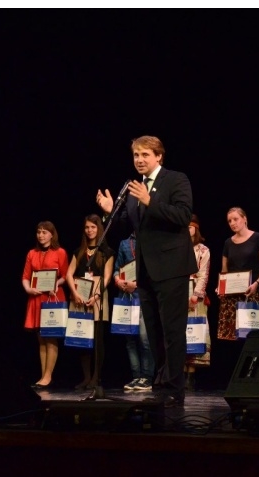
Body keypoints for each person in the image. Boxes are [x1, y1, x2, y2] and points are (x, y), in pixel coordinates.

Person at [103, 135, 197, 408]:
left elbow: (183, 216)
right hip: (145, 271)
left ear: (159, 156)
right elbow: (127, 227)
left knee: (172, 331)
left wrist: (150, 201)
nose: (139, 160)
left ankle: (175, 388)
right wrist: (110, 212)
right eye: (136, 155)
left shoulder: (176, 179)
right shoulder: (135, 188)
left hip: (172, 268)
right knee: (154, 333)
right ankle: (161, 383)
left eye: (145, 154)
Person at [65, 214, 114, 389]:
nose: (89, 230)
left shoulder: (106, 252)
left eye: (93, 227)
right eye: (87, 227)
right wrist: (74, 293)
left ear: (99, 229)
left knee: (98, 339)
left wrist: (96, 296)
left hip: (97, 297)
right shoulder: (79, 251)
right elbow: (68, 274)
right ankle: (86, 377)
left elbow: (107, 278)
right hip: (80, 295)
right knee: (81, 336)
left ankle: (96, 377)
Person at [20, 221, 68, 389]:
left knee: (51, 337)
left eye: (44, 232)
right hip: (36, 298)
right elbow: (25, 277)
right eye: (39, 232)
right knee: (41, 339)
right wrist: (28, 289)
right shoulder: (32, 253)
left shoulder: (60, 252)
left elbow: (65, 275)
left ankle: (48, 376)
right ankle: (43, 376)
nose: (41, 235)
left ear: (52, 235)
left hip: (52, 298)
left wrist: (56, 284)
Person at [217, 207, 259, 341]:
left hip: (253, 294)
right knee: (232, 338)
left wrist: (256, 284)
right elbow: (224, 271)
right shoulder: (228, 243)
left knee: (254, 337)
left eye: (235, 219)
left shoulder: (258, 238)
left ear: (244, 219)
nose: (232, 223)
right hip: (232, 298)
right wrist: (220, 287)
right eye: (229, 221)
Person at [113, 231, 154, 391]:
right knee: (130, 340)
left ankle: (147, 377)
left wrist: (136, 285)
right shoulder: (125, 243)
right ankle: (136, 377)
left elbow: (153, 271)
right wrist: (118, 281)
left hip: (143, 296)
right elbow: (117, 268)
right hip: (126, 297)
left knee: (144, 339)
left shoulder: (151, 240)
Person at [186, 214, 211, 390]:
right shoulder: (177, 247)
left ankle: (191, 374)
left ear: (196, 228)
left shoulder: (203, 250)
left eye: (189, 227)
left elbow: (203, 274)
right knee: (180, 332)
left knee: (194, 330)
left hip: (195, 293)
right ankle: (181, 372)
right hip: (179, 293)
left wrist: (196, 295)